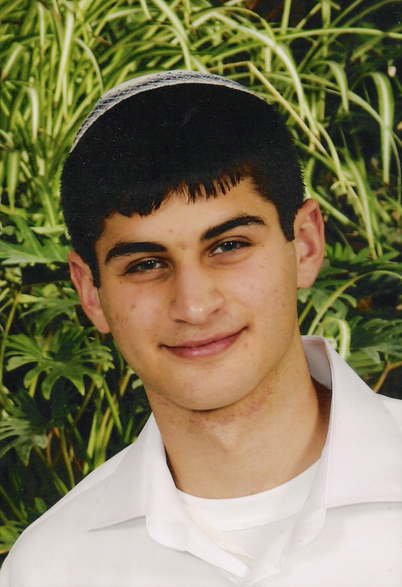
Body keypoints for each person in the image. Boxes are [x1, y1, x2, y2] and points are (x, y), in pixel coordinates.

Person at [1, 70, 401, 587]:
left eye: (229, 246)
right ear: (91, 292)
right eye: (145, 264)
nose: (193, 306)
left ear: (304, 245)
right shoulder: (47, 569)